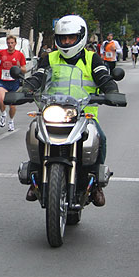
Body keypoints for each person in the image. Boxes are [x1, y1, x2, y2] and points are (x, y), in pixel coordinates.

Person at [23, 15, 120, 206]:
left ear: (81, 37)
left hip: (84, 115)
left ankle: (97, 184)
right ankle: (35, 177)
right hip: (52, 111)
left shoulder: (93, 59)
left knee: (100, 138)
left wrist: (112, 91)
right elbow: (38, 77)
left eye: (71, 38)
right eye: (63, 38)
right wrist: (26, 89)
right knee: (34, 133)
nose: (66, 42)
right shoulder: (49, 58)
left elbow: (104, 78)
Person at [0, 35, 26, 131]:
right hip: (3, 80)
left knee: (12, 105)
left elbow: (24, 69)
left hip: (14, 82)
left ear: (15, 43)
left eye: (12, 43)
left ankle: (11, 120)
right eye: (8, 43)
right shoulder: (1, 53)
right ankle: (3, 114)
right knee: (1, 99)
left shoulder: (19, 55)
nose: (10, 45)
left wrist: (19, 68)